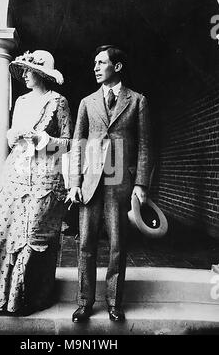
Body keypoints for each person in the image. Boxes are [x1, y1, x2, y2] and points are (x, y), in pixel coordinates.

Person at [0, 50, 72, 316]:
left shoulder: (58, 102)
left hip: (44, 176)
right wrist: (14, 135)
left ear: (41, 74)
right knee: (4, 230)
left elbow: (69, 143)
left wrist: (45, 140)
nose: (25, 75)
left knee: (32, 234)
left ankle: (25, 300)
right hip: (16, 172)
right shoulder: (21, 101)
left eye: (29, 70)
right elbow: (13, 138)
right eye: (24, 70)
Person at [67, 45, 151, 323]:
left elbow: (144, 145)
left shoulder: (137, 100)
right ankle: (84, 303)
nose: (95, 67)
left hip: (120, 182)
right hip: (90, 182)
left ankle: (114, 302)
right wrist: (74, 181)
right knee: (86, 244)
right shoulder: (87, 102)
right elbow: (78, 145)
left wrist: (140, 184)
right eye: (94, 62)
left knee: (118, 244)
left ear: (117, 67)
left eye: (101, 62)